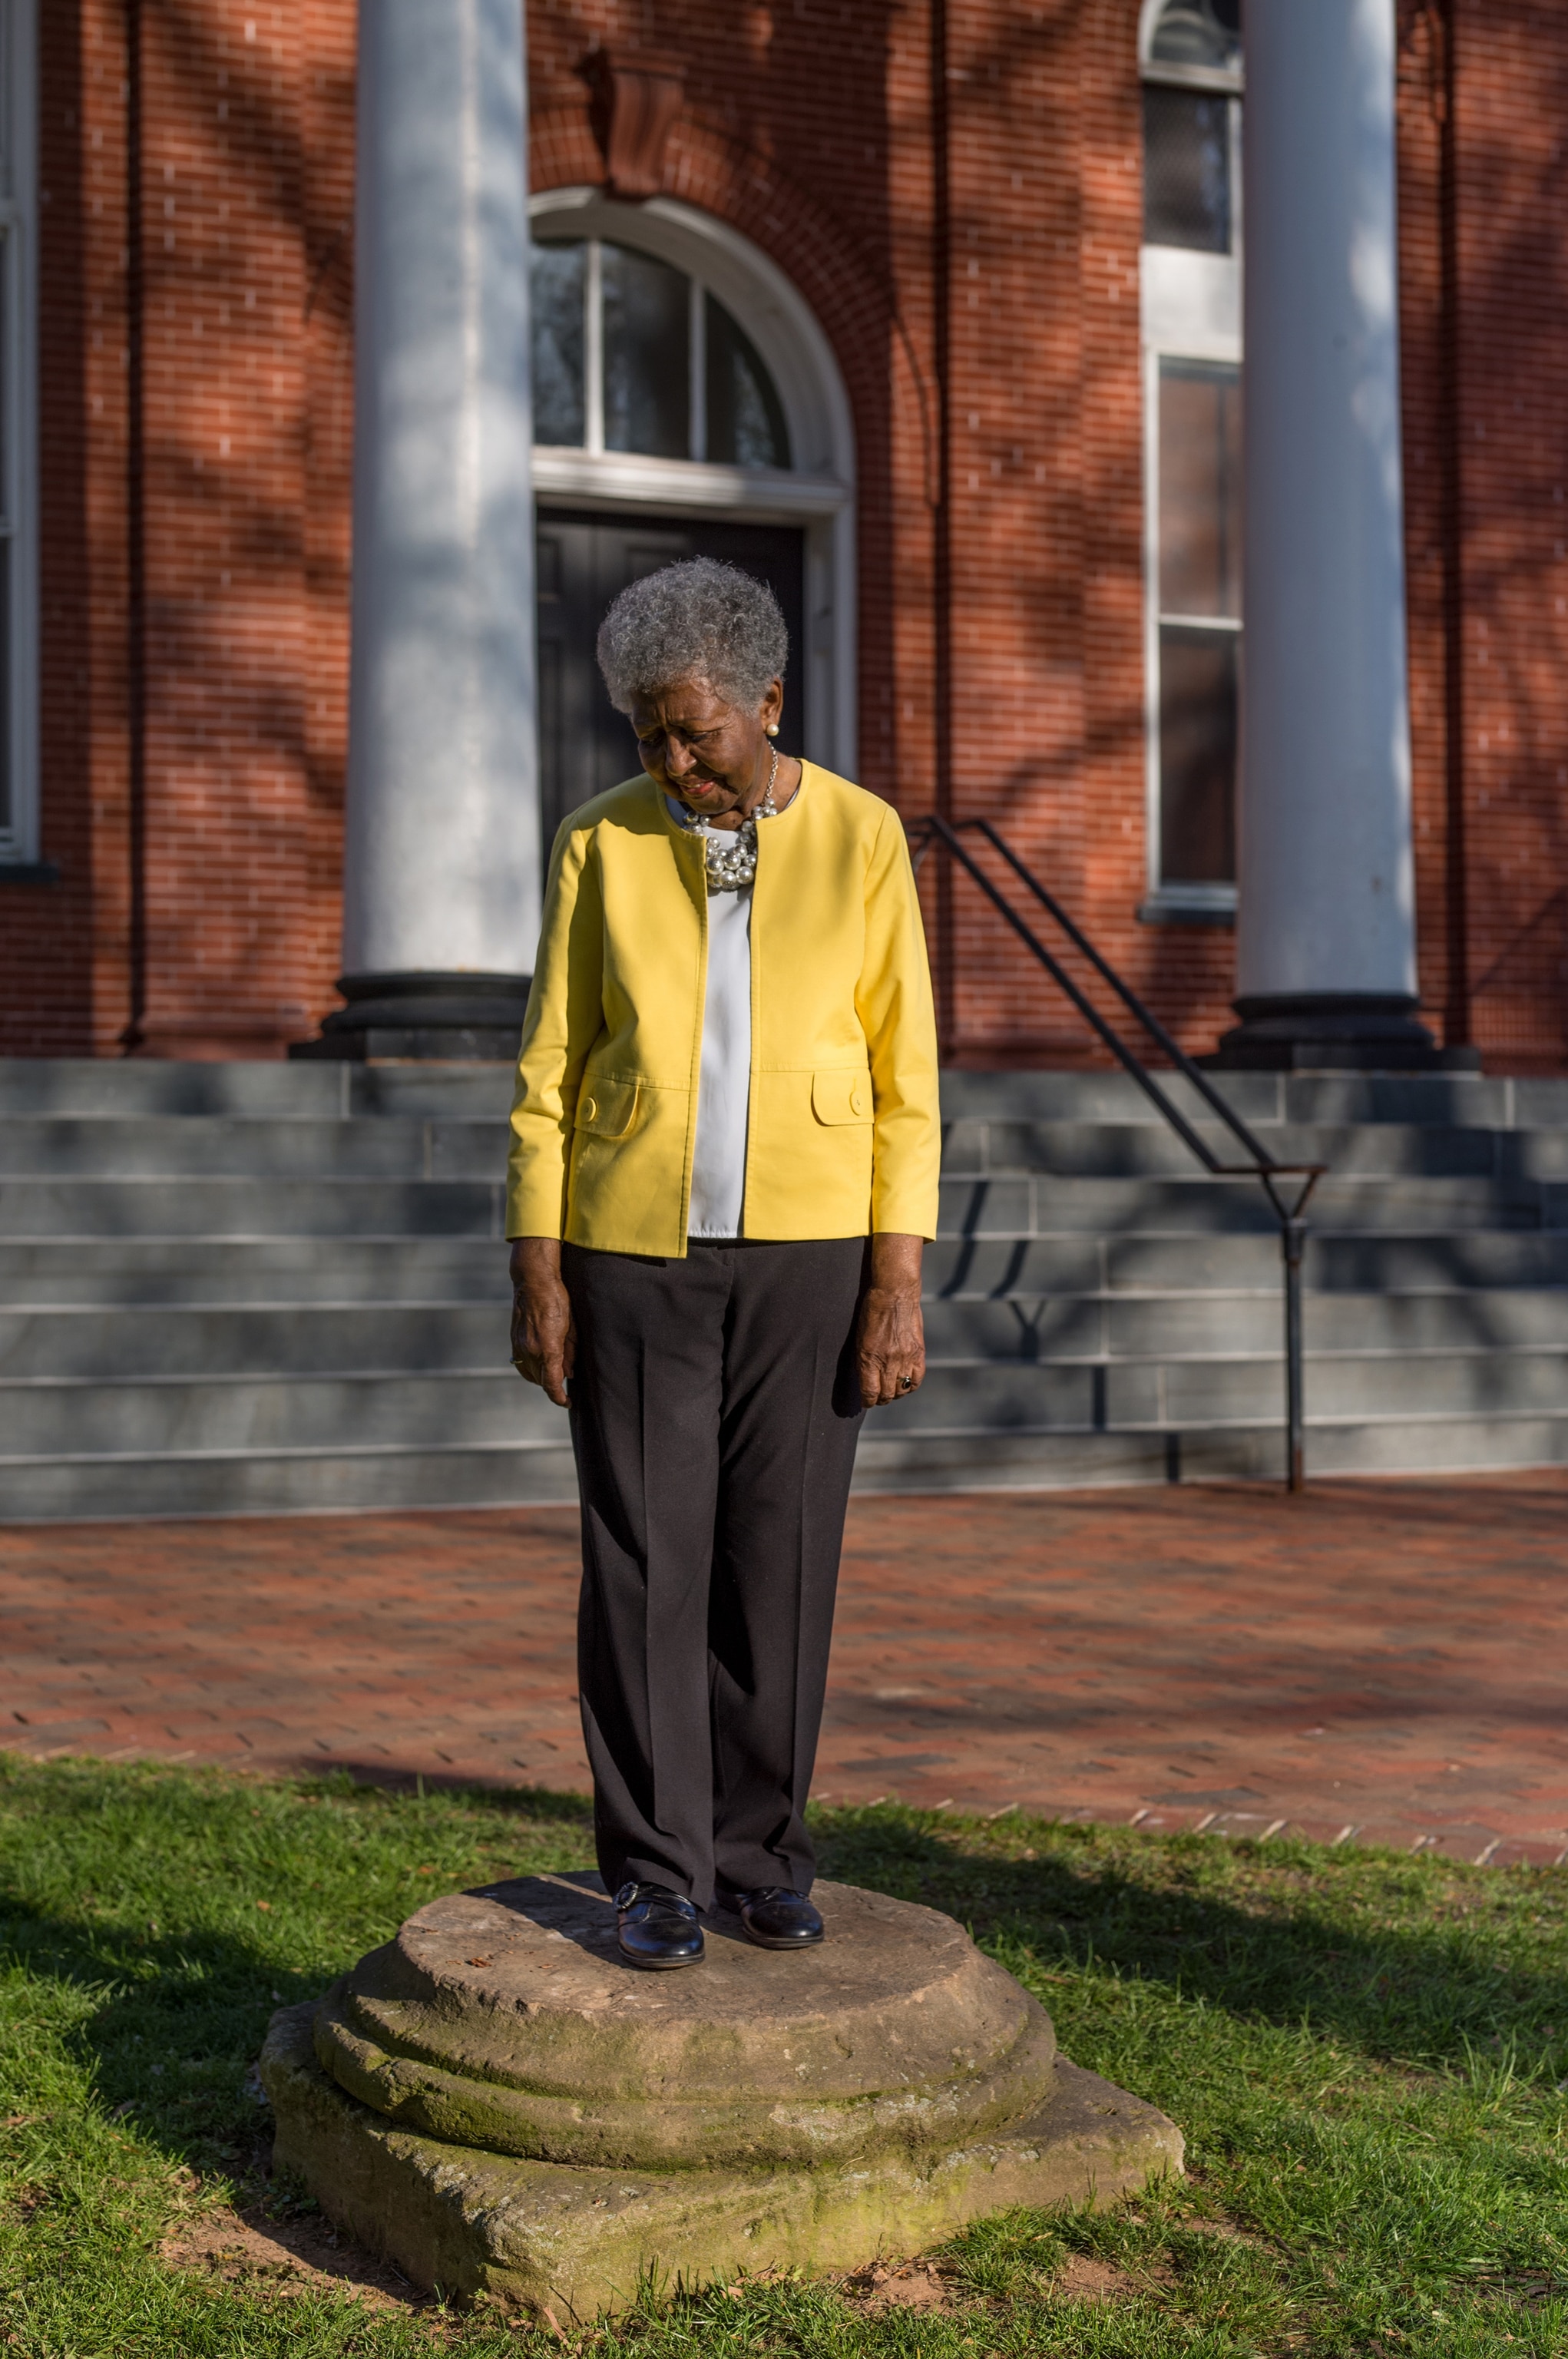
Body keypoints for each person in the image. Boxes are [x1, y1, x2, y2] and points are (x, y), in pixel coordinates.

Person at [508, 557, 940, 1970]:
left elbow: (903, 1076)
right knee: (643, 1566)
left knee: (781, 1559)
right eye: (647, 735)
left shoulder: (866, 839)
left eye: (695, 729)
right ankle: (652, 1873)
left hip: (816, 1252)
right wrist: (539, 1265)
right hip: (632, 1248)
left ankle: (760, 1856)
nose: (672, 759)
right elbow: (551, 1071)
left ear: (766, 698)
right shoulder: (597, 843)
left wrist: (895, 1279)